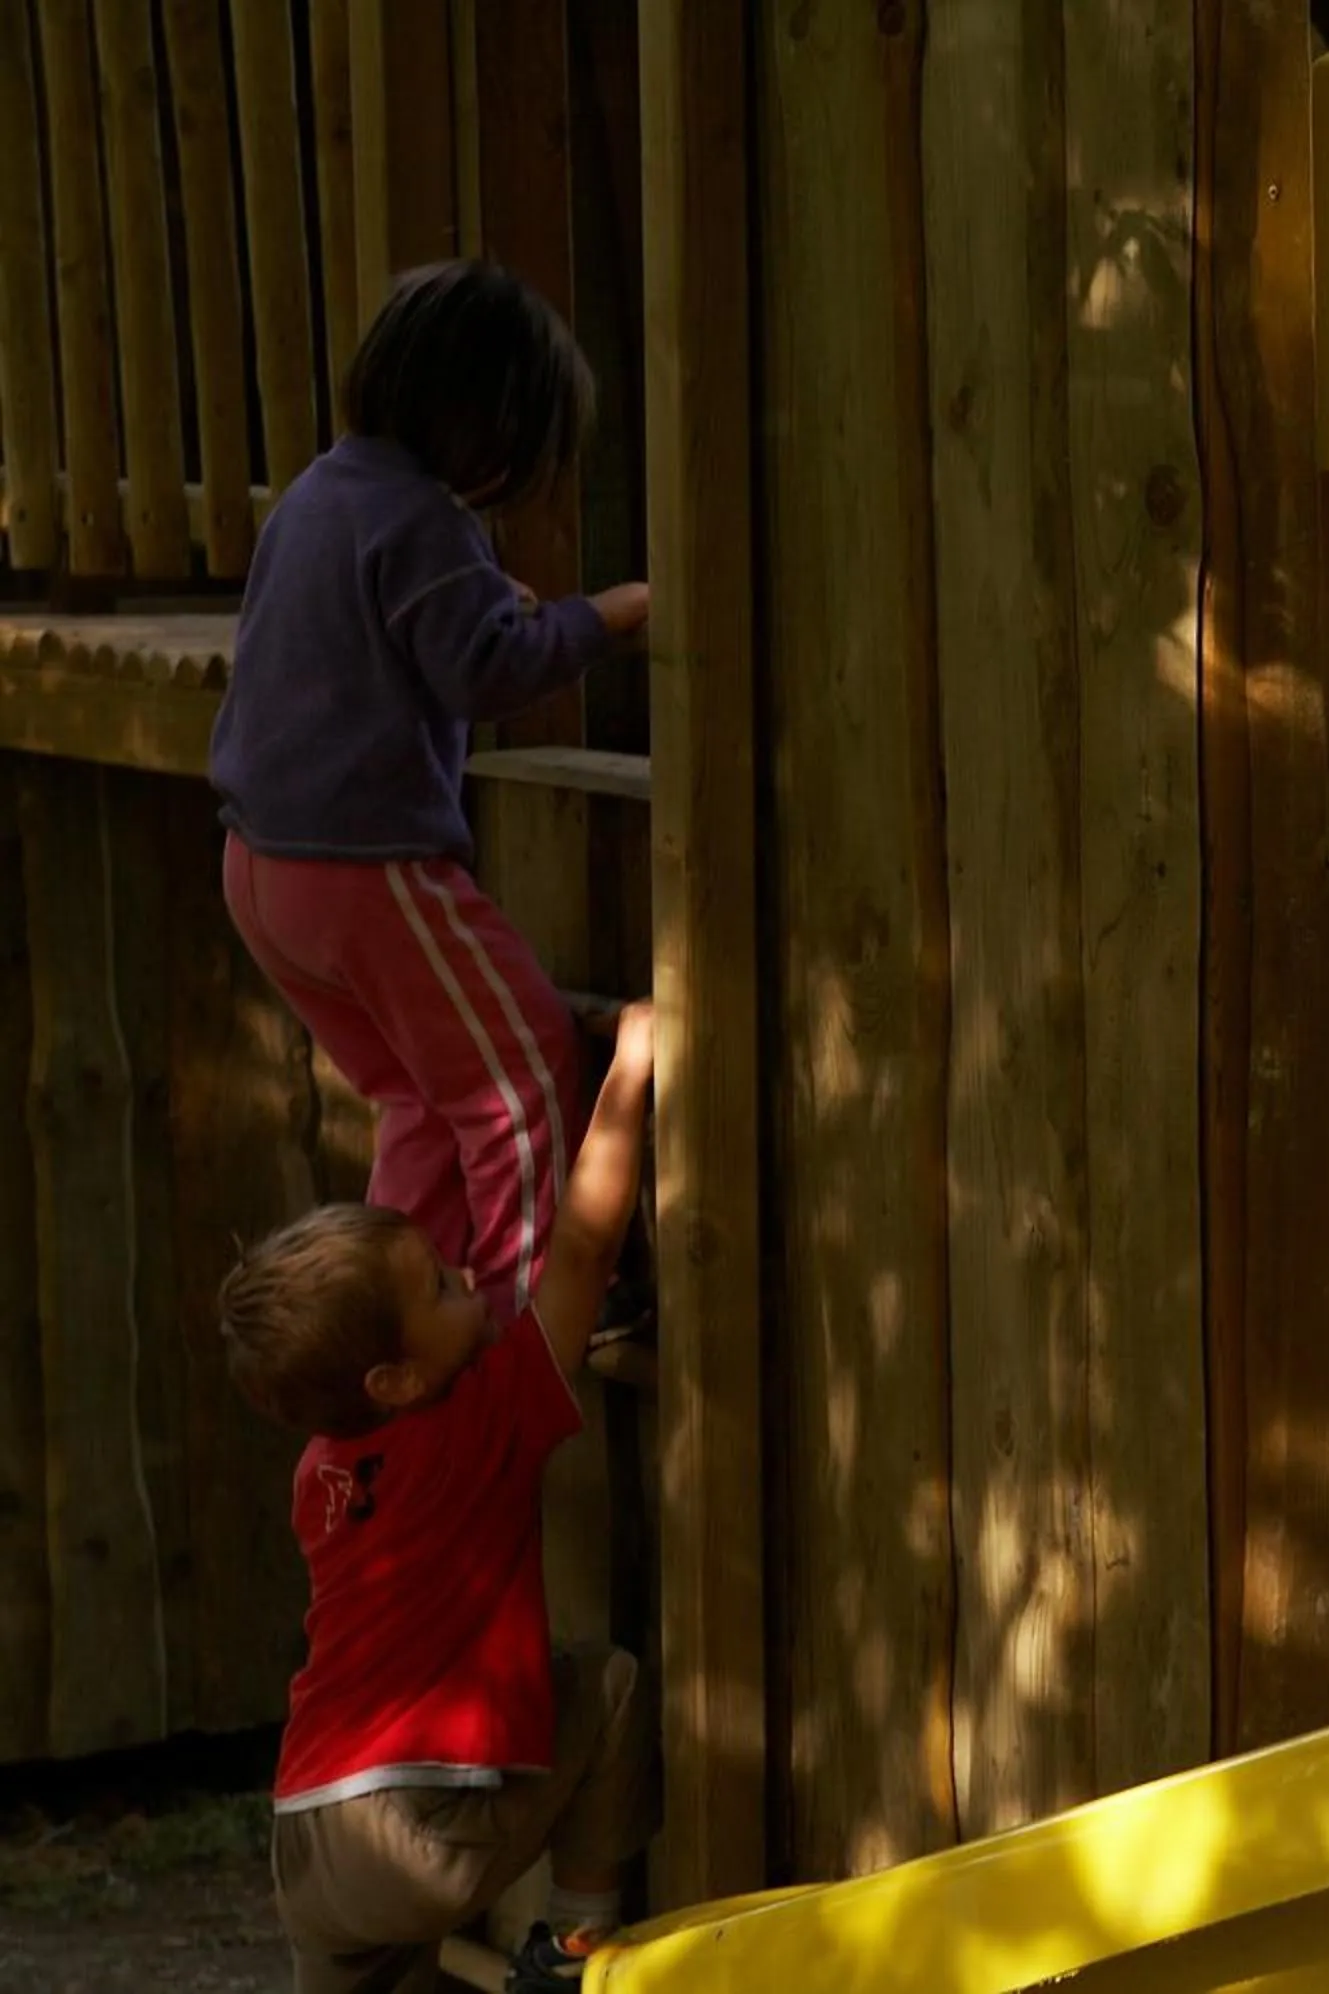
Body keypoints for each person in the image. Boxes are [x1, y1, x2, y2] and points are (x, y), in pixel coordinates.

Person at [211, 259, 651, 1320]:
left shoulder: (319, 494)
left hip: (261, 870)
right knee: (522, 1085)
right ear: (485, 424)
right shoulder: (424, 518)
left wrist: (487, 597)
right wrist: (612, 614)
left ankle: (394, 1322)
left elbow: (371, 628)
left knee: (417, 1095)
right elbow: (487, 668)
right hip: (369, 873)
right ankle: (511, 1330)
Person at [220, 1003, 665, 1992]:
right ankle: (574, 1947)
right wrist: (629, 1068)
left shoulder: (320, 1473)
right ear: (396, 1380)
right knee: (609, 1686)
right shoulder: (481, 1419)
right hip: (416, 1827)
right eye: (441, 1286)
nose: (469, 1276)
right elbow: (586, 1250)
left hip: (305, 1833)